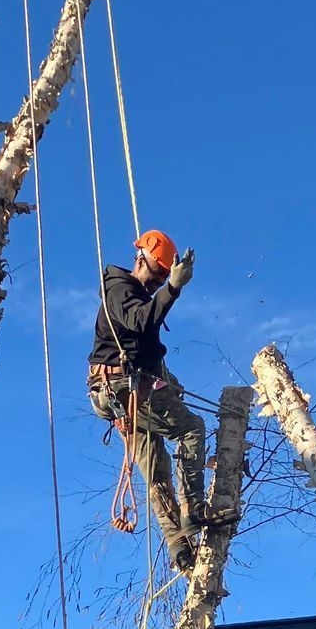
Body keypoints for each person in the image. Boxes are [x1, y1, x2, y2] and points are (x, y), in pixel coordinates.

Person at [88, 230, 227, 571]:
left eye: (165, 275)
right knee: (192, 428)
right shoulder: (119, 289)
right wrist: (174, 289)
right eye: (158, 272)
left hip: (127, 394)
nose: (159, 280)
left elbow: (147, 352)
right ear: (140, 260)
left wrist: (172, 384)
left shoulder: (136, 297)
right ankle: (193, 507)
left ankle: (178, 543)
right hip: (124, 389)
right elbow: (141, 321)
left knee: (157, 474)